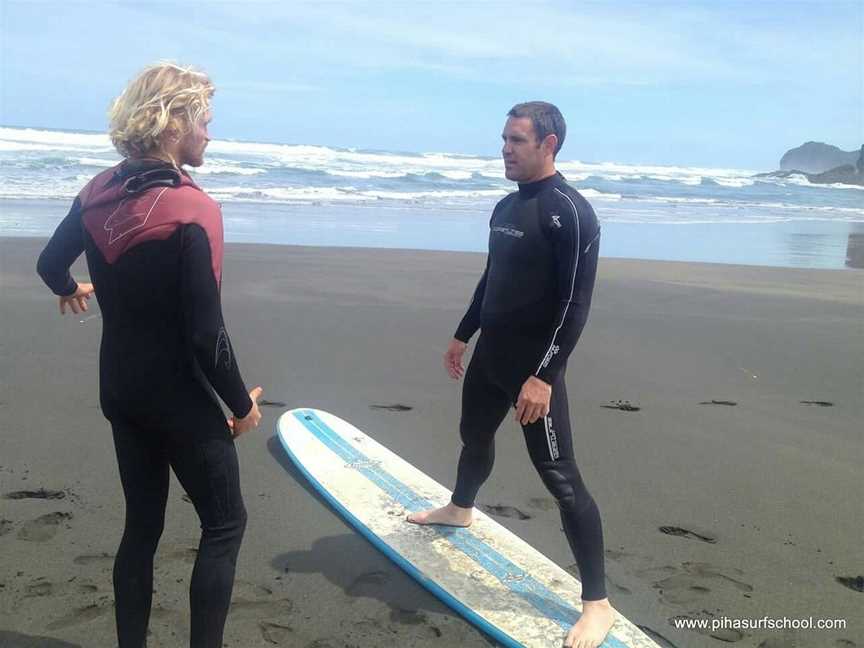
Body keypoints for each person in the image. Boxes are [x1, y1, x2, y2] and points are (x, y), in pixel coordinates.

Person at [36, 62, 262, 648]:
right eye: (204, 121)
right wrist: (241, 406)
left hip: (121, 390)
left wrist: (72, 290)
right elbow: (205, 337)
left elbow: (49, 265)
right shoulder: (193, 209)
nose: (210, 134)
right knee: (224, 524)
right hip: (179, 398)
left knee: (142, 528)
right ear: (174, 122)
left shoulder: (94, 192)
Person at [407, 102, 613, 648]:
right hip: (491, 358)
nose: (505, 148)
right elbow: (491, 278)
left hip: (533, 370)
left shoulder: (570, 212)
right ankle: (461, 508)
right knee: (473, 437)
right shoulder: (503, 207)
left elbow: (575, 304)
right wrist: (462, 333)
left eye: (517, 140)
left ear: (548, 145)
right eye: (503, 138)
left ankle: (598, 604)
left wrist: (544, 376)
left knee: (560, 479)